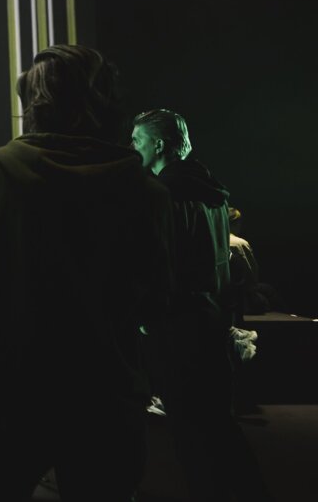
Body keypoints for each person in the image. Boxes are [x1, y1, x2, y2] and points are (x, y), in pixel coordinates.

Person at [0, 46, 173, 501]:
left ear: (34, 102)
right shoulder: (145, 189)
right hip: (106, 394)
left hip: (13, 391)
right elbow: (157, 301)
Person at [131, 109, 272, 501]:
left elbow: (161, 266)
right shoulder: (211, 193)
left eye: (137, 140)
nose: (132, 147)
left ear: (159, 145)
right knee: (218, 430)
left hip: (177, 329)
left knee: (192, 437)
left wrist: (145, 317)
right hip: (210, 322)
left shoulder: (165, 195)